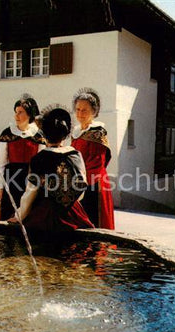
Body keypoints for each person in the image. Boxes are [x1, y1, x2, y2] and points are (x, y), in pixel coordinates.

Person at [9, 106, 94, 232]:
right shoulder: (76, 155)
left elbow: (30, 193)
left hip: (46, 213)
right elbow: (81, 187)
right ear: (65, 135)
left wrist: (19, 216)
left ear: (44, 135)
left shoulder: (39, 158)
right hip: (73, 212)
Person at [0, 95, 45, 220]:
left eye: (20, 112)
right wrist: (0, 187)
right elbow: (1, 162)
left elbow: (41, 162)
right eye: (16, 112)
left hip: (30, 180)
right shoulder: (7, 133)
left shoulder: (38, 136)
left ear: (29, 115)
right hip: (11, 179)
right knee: (8, 215)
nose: (16, 116)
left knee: (29, 216)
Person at [70, 88, 115, 229]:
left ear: (93, 112)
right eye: (77, 109)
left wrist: (78, 186)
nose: (80, 113)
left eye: (84, 110)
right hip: (78, 183)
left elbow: (97, 164)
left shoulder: (97, 132)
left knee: (94, 223)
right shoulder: (76, 132)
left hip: (94, 185)